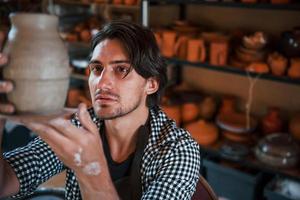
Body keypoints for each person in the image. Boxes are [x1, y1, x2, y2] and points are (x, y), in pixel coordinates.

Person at [0, 20, 201, 200]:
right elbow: (5, 183)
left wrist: (91, 168)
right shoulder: (79, 125)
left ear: (151, 84)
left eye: (121, 69)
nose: (101, 83)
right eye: (97, 69)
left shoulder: (178, 149)